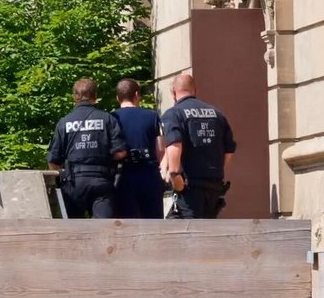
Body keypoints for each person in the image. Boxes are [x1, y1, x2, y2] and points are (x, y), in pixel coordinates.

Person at [47, 78, 127, 218]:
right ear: (95, 96)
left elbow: (53, 161)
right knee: (103, 230)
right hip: (101, 181)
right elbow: (121, 152)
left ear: (75, 97)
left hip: (74, 183)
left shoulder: (64, 123)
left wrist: (63, 176)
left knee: (74, 231)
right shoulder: (107, 119)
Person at [160, 74, 236, 219]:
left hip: (189, 187)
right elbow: (229, 150)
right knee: (206, 232)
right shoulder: (217, 114)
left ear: (173, 92)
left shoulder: (174, 114)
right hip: (213, 186)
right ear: (194, 90)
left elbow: (175, 144)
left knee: (187, 234)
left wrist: (175, 175)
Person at [111, 78, 166, 219]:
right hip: (149, 174)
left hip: (122, 175)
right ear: (137, 95)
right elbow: (161, 149)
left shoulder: (111, 118)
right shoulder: (152, 116)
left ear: (118, 98)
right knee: (153, 222)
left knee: (125, 222)